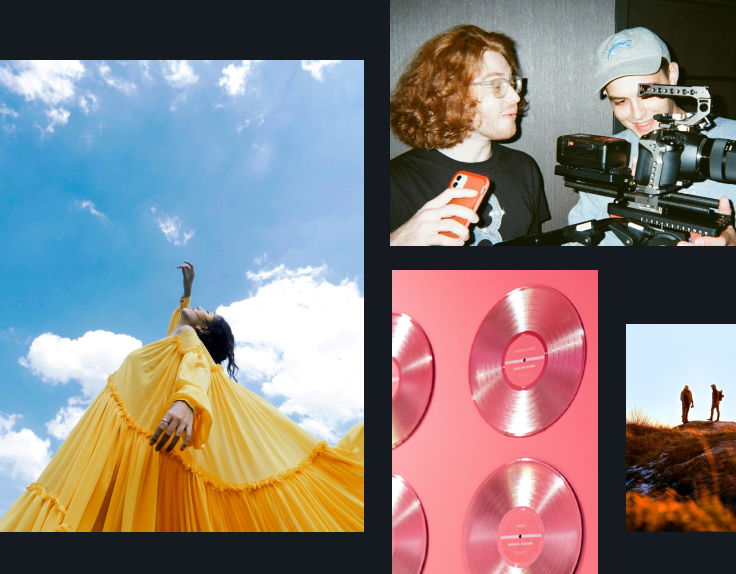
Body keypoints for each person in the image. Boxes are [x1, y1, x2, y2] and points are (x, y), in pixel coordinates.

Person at [0, 261, 364, 532]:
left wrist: (186, 402)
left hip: (136, 434)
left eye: (205, 312)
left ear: (202, 328)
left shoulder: (190, 346)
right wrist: (187, 291)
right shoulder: (175, 341)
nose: (199, 308)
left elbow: (198, 365)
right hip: (122, 438)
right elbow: (177, 326)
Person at [568, 26, 736, 246]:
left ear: (672, 74)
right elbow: (578, 243)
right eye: (620, 101)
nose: (637, 114)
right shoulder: (611, 154)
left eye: (648, 94)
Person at [390, 24, 550, 246]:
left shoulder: (524, 168)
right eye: (496, 85)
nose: (515, 97)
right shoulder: (394, 182)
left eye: (512, 83)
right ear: (449, 93)